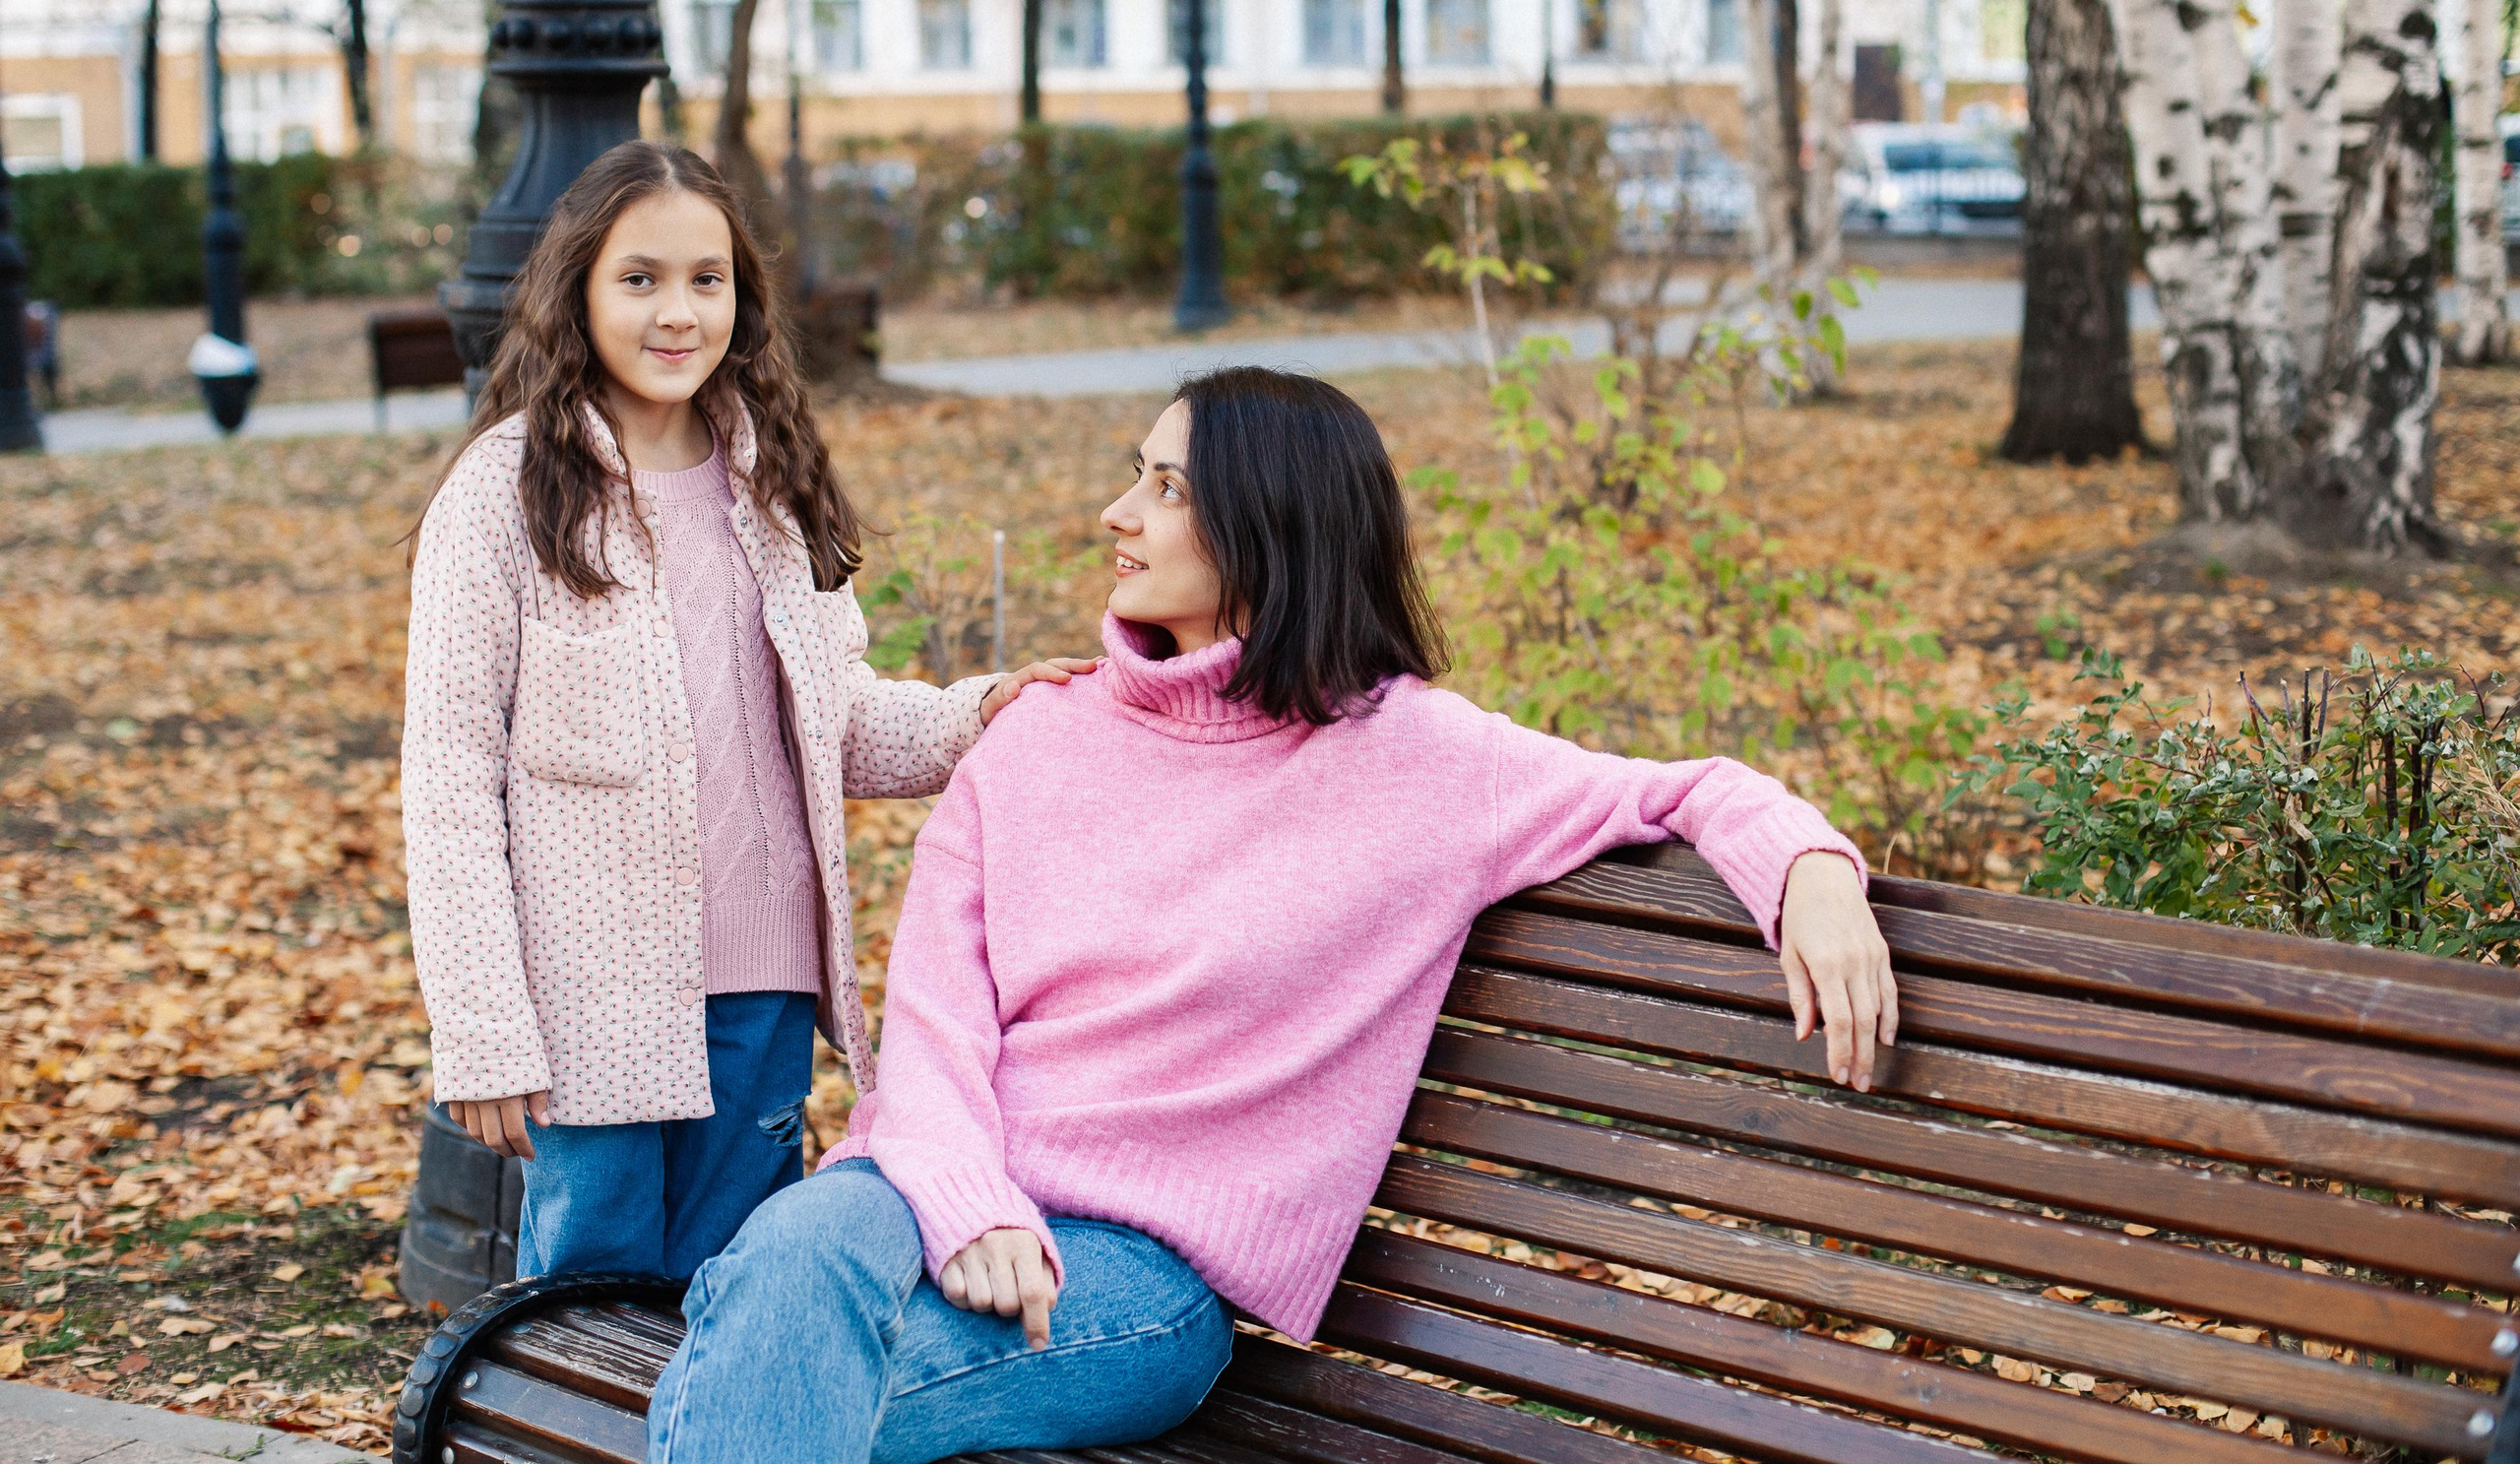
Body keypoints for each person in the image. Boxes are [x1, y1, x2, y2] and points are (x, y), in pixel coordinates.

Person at [644, 367, 1898, 1463]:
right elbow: (933, 1025)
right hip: (922, 1191)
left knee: (768, 1371)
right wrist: (969, 1201)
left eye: (1165, 487)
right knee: (794, 1260)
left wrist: (1813, 871)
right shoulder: (1037, 738)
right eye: (1133, 475)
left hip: (1134, 1279)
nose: (1116, 514)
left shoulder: (1418, 761)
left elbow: (1685, 789)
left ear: (1269, 524)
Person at [400, 142, 1091, 1283]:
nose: (678, 312)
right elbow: (450, 783)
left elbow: (841, 724)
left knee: (734, 1294)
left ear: (742, 294)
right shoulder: (503, 493)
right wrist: (482, 1028)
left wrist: (984, 713)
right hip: (592, 999)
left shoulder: (772, 483)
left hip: (764, 992)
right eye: (640, 278)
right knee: (587, 1309)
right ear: (575, 287)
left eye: (706, 279)